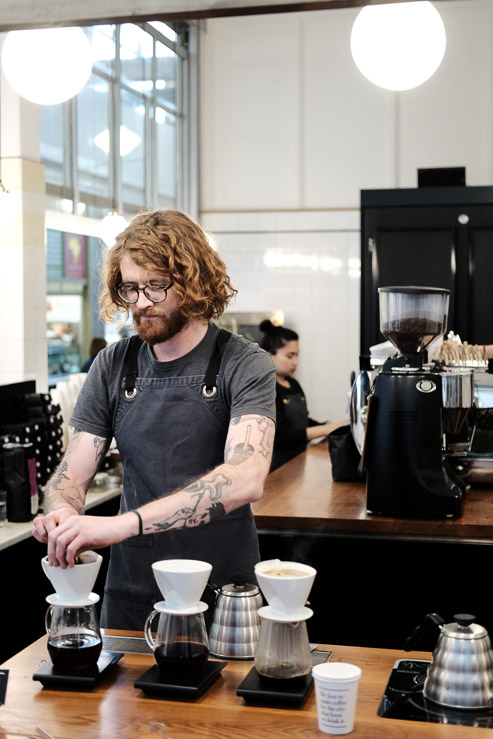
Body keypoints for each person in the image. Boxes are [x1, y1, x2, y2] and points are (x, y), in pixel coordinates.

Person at [33, 210, 276, 630]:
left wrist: (123, 525)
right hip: (133, 588)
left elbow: (246, 477)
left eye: (156, 285)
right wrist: (62, 512)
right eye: (130, 288)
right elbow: (71, 474)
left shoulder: (244, 363)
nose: (141, 302)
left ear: (194, 280)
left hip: (222, 593)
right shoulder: (112, 365)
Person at [259, 319, 340, 471]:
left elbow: (302, 422)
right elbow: (280, 436)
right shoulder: (266, 389)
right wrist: (324, 430)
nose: (295, 362)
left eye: (297, 355)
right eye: (290, 356)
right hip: (277, 468)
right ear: (269, 356)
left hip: (298, 462)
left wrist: (328, 425)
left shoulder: (294, 384)